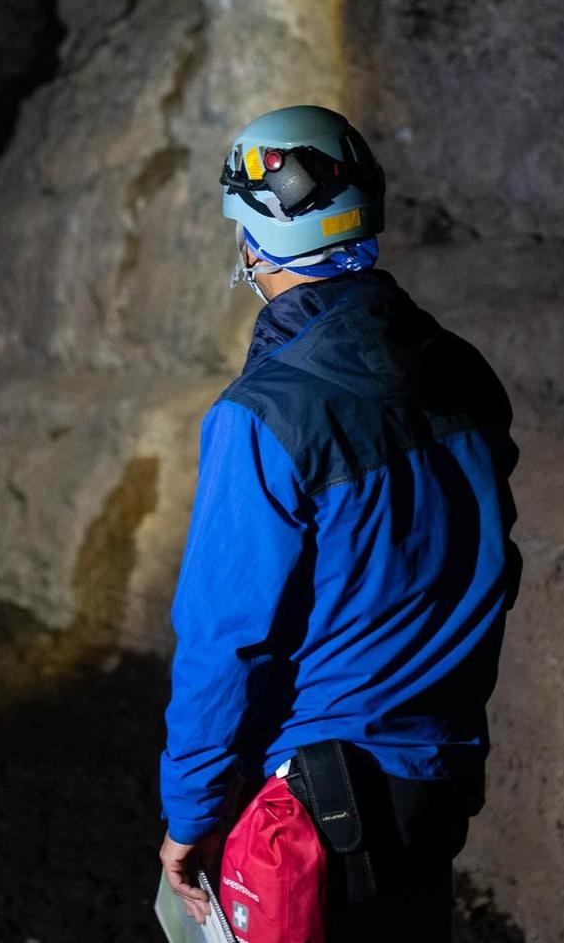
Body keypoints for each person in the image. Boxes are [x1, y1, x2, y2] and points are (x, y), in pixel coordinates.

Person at [158, 105, 522, 940]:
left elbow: (226, 637)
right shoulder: (459, 368)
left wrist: (191, 811)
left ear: (253, 237)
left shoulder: (265, 416)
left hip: (319, 795)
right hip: (441, 763)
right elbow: (491, 556)